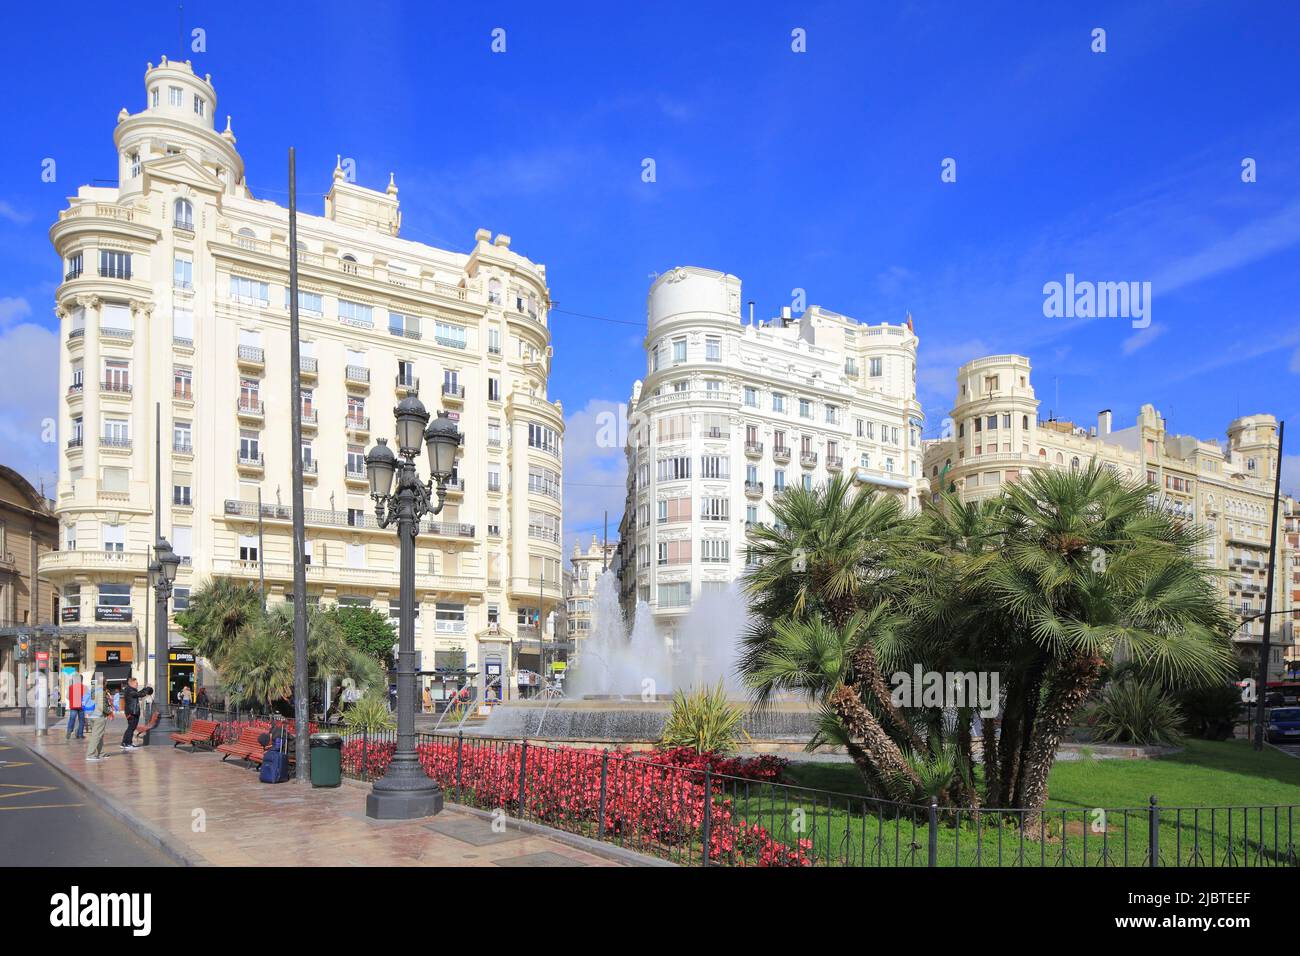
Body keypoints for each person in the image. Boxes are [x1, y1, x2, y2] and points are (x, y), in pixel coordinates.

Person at [84, 677, 114, 761]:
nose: (106, 685)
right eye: (106, 683)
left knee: (98, 735)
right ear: (103, 683)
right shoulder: (101, 692)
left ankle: (101, 753)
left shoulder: (92, 691)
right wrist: (108, 712)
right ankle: (90, 754)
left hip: (91, 715)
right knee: (96, 735)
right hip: (98, 716)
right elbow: (101, 706)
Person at [119, 677, 153, 751]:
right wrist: (147, 688)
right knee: (131, 727)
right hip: (132, 712)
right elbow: (141, 694)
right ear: (131, 683)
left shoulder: (131, 690)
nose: (137, 684)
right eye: (136, 683)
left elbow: (139, 693)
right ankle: (126, 743)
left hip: (133, 711)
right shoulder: (129, 690)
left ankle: (127, 742)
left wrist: (146, 688)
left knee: (131, 727)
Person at [65, 674, 86, 740]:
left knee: (72, 719)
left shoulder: (71, 687)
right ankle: (80, 735)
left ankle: (69, 731)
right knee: (82, 720)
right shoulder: (83, 687)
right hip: (81, 706)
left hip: (73, 706)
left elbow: (67, 696)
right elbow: (86, 697)